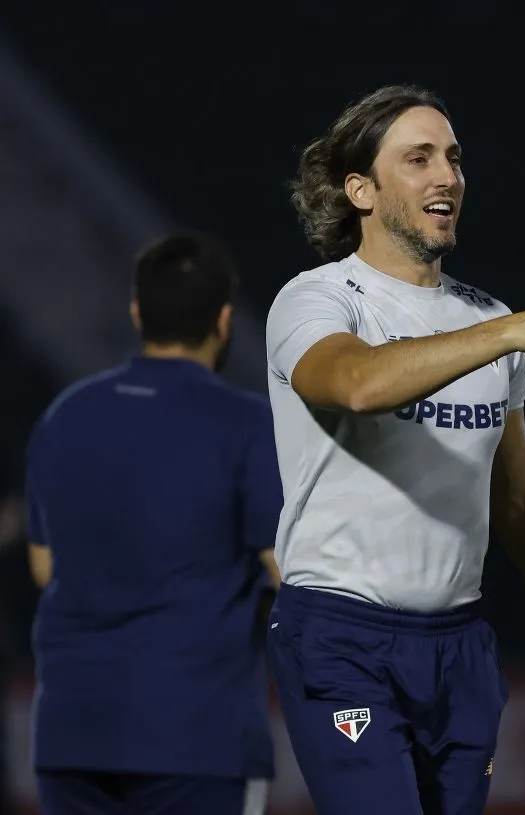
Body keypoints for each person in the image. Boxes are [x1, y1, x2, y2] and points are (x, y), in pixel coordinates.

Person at [265, 84, 525, 815]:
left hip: (458, 644)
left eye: (453, 158)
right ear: (360, 189)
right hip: (342, 638)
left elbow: (522, 502)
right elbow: (358, 383)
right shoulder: (319, 300)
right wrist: (512, 331)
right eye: (419, 158)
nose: (447, 177)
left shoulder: (487, 319)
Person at [26, 233, 283, 815]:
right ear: (223, 320)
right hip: (197, 736)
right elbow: (289, 571)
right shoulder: (245, 425)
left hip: (73, 731)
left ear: (138, 311)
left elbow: (45, 567)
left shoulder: (65, 415)